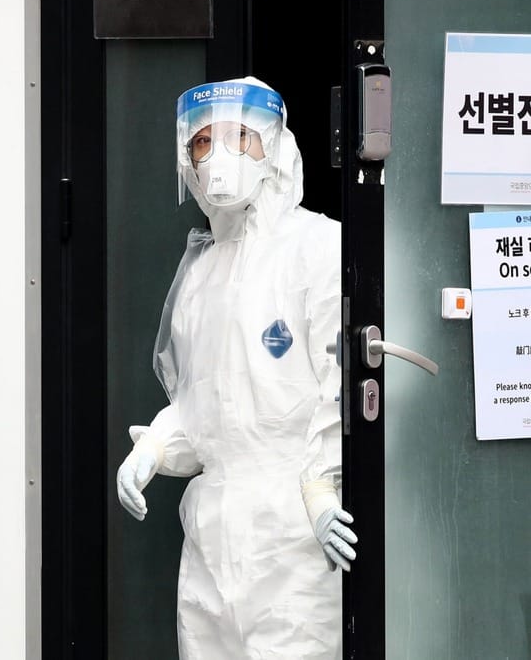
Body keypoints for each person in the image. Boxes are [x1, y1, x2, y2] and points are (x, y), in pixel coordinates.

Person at [115, 76, 357, 659]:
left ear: (273, 145)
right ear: (186, 160)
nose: (219, 155)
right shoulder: (201, 274)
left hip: (294, 534)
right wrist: (155, 448)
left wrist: (322, 488)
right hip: (211, 536)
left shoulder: (318, 247)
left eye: (239, 137)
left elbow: (346, 384)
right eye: (203, 142)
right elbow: (201, 405)